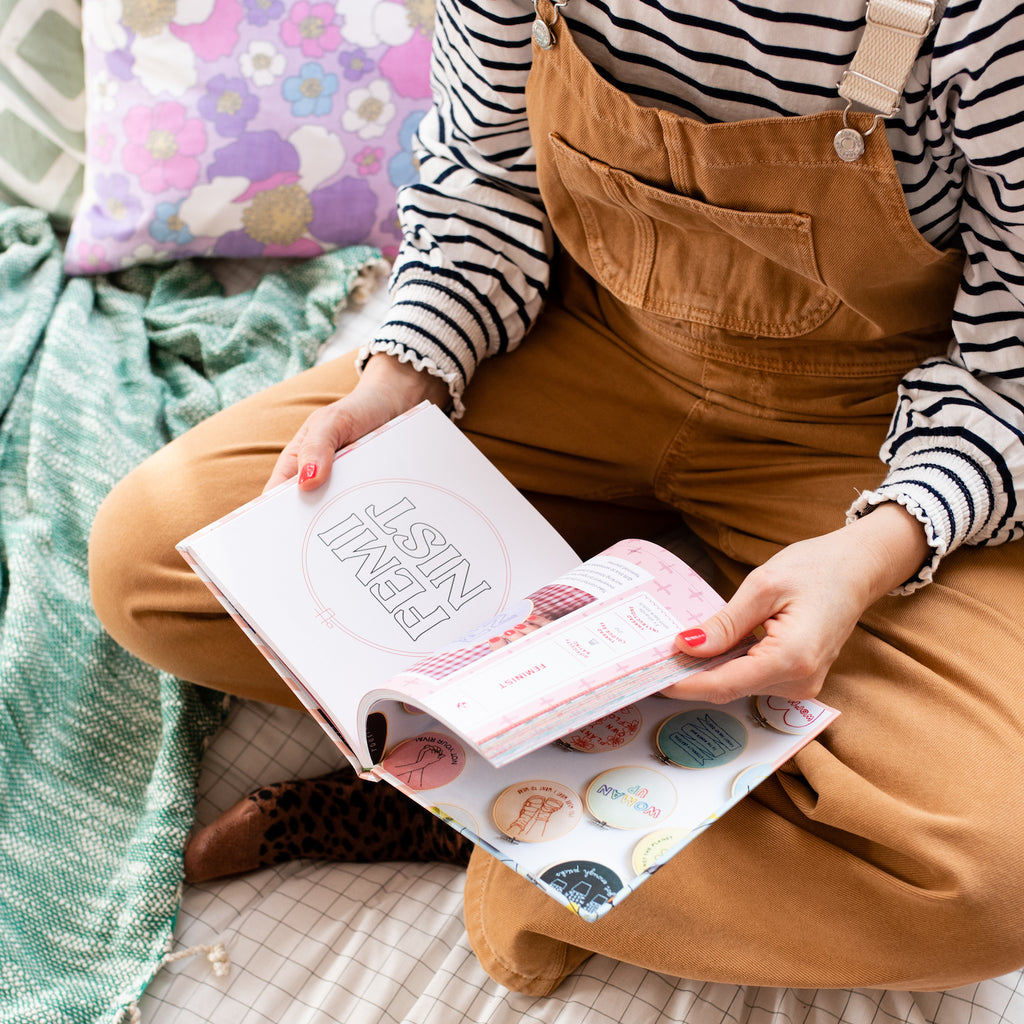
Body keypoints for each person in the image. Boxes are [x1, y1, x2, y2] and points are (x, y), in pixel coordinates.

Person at [89, 0, 1024, 998]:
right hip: (578, 344)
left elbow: (1010, 362)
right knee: (159, 555)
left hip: (867, 430)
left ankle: (508, 842)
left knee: (984, 884)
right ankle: (522, 782)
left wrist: (878, 545)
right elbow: (482, 184)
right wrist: (403, 375)